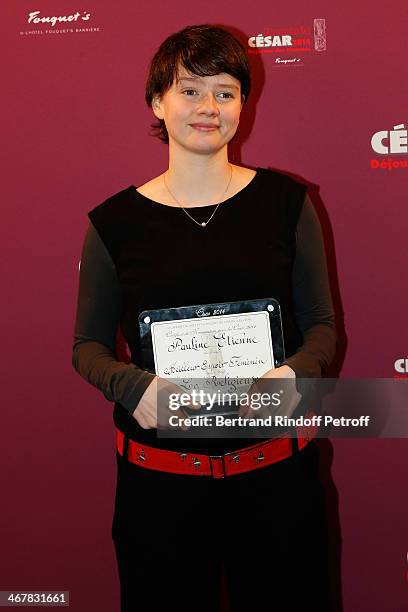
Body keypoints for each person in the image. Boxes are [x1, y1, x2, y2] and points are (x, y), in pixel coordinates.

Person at [72, 24, 337, 612]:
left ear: (243, 105)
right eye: (190, 91)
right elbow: (87, 346)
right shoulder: (112, 223)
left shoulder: (287, 204)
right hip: (159, 487)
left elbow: (321, 326)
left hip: (276, 483)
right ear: (157, 102)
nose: (208, 108)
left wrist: (295, 375)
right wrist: (130, 384)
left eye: (225, 92)